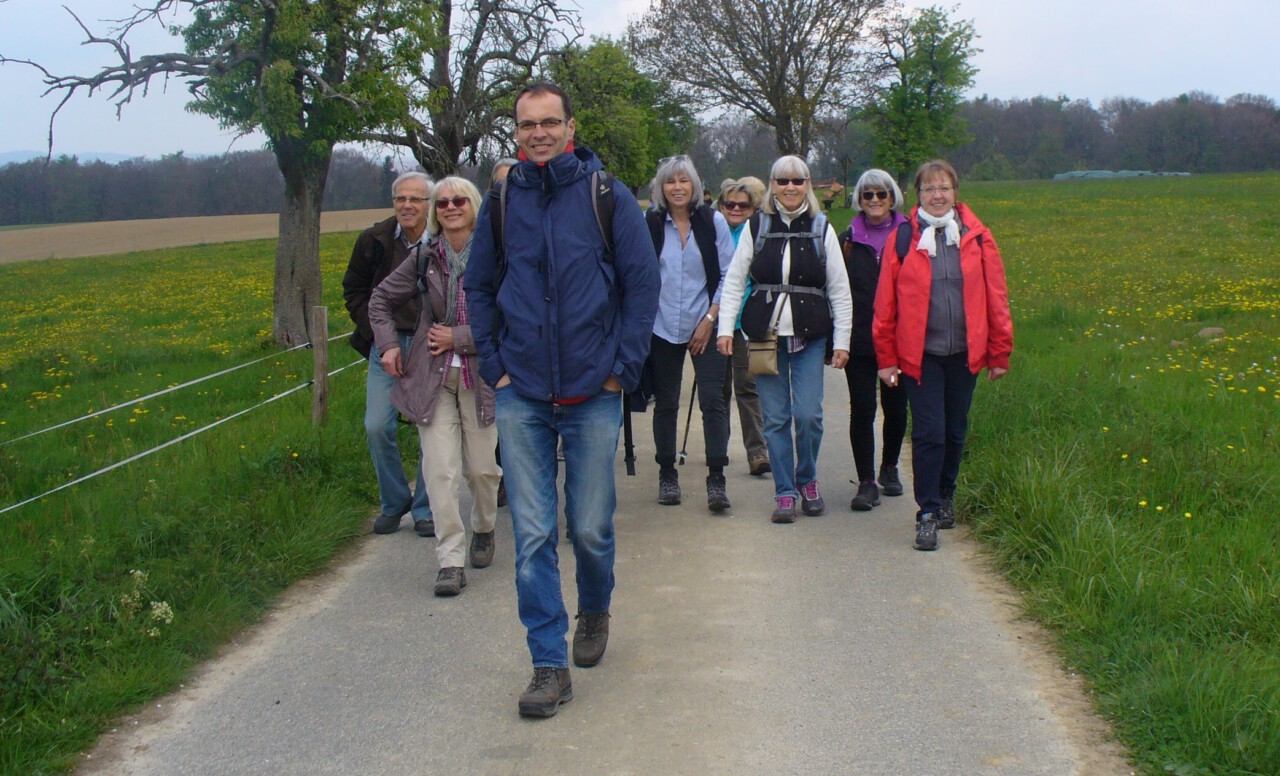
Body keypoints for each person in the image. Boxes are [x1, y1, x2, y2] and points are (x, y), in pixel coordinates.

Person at [464, 82, 659, 718]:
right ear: (515, 132)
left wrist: (621, 370)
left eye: (550, 123)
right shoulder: (500, 200)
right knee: (534, 536)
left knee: (592, 530)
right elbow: (481, 289)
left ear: (570, 128)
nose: (539, 133)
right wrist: (494, 366)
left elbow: (641, 285)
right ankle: (548, 666)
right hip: (521, 393)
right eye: (527, 125)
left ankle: (595, 608)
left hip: (592, 392)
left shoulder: (607, 197)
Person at [368, 177, 500, 596]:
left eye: (459, 200)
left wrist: (457, 338)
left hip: (481, 380)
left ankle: (484, 527)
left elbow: (512, 320)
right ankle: (450, 559)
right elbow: (379, 301)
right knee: (439, 471)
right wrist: (388, 345)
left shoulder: (498, 256)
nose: (450, 207)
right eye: (442, 202)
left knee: (482, 470)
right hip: (433, 379)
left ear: (474, 206)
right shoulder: (426, 256)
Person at [873, 159, 1013, 551]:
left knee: (955, 430)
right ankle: (928, 513)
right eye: (929, 189)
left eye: (944, 188)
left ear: (955, 193)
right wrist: (886, 358)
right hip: (921, 356)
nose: (937, 195)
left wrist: (999, 351)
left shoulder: (977, 237)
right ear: (918, 195)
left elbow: (996, 298)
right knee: (930, 433)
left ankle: (947, 493)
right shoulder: (902, 239)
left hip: (965, 353)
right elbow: (885, 305)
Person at [716, 156, 852, 523]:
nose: (790, 187)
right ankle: (785, 490)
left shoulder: (821, 227)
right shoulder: (757, 225)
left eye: (797, 180)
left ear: (808, 184)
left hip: (810, 338)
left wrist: (842, 341)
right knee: (775, 418)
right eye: (782, 181)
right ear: (772, 185)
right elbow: (734, 281)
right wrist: (726, 329)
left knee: (808, 415)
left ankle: (807, 478)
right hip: (765, 337)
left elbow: (839, 289)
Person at [341, 171, 434, 537]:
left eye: (416, 199)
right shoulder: (374, 241)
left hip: (430, 346)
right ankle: (395, 502)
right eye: (401, 199)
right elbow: (355, 290)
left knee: (431, 426)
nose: (407, 206)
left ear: (428, 204)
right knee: (377, 425)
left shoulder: (441, 240)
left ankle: (426, 508)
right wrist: (379, 336)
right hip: (386, 344)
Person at [645, 156, 736, 512]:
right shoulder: (649, 223)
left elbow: (730, 275)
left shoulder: (713, 222)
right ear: (661, 188)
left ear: (695, 185)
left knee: (713, 402)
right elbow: (638, 273)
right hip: (661, 326)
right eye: (670, 182)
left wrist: (711, 318)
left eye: (684, 181)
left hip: (706, 324)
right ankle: (667, 473)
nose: (677, 187)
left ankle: (717, 478)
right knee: (666, 402)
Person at [840, 169, 910, 511]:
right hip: (859, 340)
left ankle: (890, 466)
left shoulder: (910, 234)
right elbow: (836, 291)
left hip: (898, 342)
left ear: (892, 196)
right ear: (859, 199)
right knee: (863, 409)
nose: (875, 201)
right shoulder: (848, 240)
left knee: (896, 407)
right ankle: (866, 481)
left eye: (881, 194)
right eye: (867, 195)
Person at [717, 176, 770, 477]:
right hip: (717, 320)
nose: (736, 209)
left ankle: (757, 451)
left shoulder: (757, 232)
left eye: (743, 205)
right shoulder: (714, 231)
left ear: (753, 208)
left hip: (747, 321)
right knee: (718, 389)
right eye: (730, 204)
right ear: (721, 206)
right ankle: (718, 446)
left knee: (748, 388)